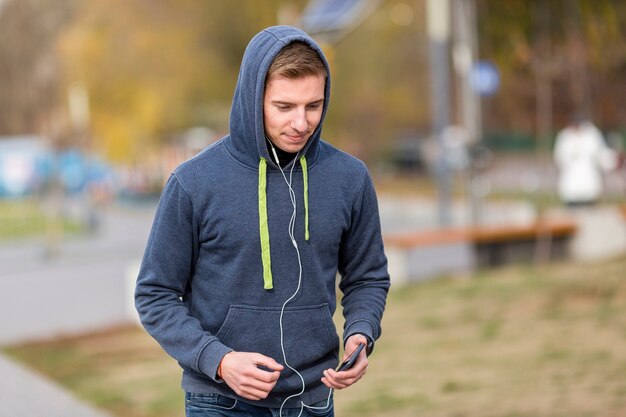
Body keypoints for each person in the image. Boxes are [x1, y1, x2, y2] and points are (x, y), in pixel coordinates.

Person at [135, 25, 390, 417]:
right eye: (284, 107)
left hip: (313, 398)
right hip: (219, 400)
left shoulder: (350, 178)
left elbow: (368, 276)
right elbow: (155, 295)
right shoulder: (192, 183)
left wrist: (361, 332)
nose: (302, 123)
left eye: (314, 105)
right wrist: (218, 360)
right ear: (254, 99)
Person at [553, 115, 617, 208]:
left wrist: (612, 161)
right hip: (571, 188)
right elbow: (559, 158)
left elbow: (601, 155)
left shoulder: (591, 136)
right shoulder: (565, 137)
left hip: (589, 187)